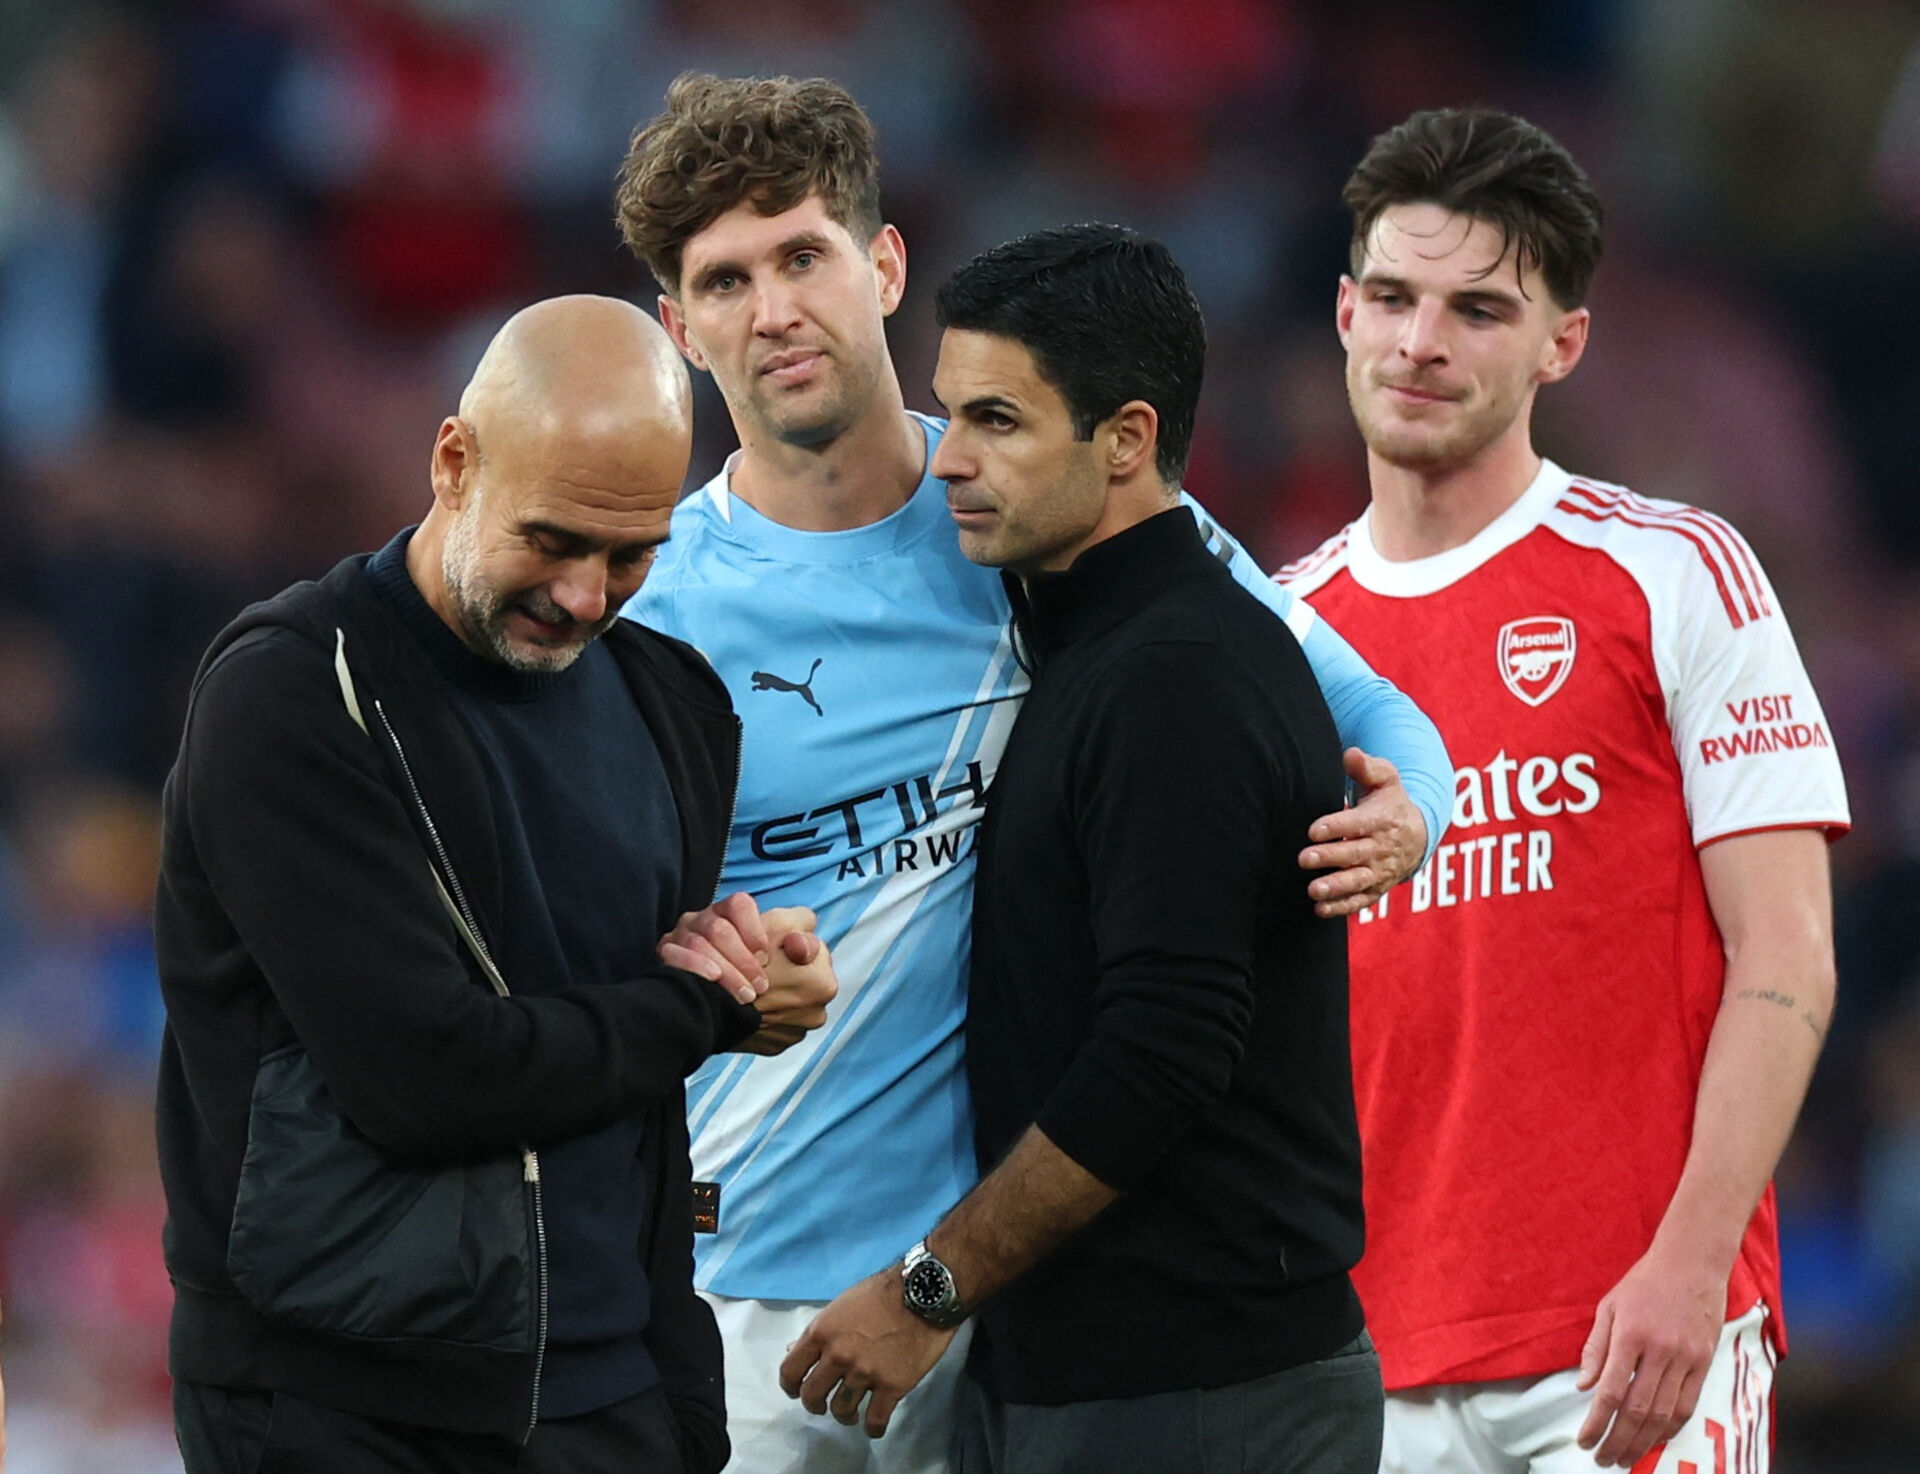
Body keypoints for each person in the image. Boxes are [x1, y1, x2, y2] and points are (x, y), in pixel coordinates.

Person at [613, 72, 1449, 1473]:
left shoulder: (1032, 500)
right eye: (723, 278)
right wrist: (711, 981)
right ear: (678, 327)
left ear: (883, 266)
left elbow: (1349, 682)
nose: (772, 308)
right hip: (759, 1289)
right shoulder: (656, 620)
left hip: (998, 1288)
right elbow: (591, 930)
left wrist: (1411, 800)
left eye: (803, 254)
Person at [154, 295, 839, 1474]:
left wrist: (733, 963)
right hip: (341, 1409)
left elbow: (633, 1090)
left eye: (632, 553)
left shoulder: (675, 704)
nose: (585, 594)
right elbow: (425, 1074)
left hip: (613, 1393)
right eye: (556, 540)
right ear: (453, 461)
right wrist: (710, 1012)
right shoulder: (292, 694)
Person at [1277, 108, 1851, 1473]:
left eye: (1480, 309)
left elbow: (1789, 953)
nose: (1423, 344)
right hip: (1364, 1354)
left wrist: (1694, 1263)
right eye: (1399, 300)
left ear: (1562, 343)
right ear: (1346, 312)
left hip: (1631, 1337)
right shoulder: (1273, 638)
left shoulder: (1672, 571)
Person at [781, 223, 1385, 1474]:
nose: (952, 458)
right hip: (1105, 1376)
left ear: (1126, 439)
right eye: (949, 414)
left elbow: (1162, 1050)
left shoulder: (1176, 680)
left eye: (1000, 420)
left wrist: (928, 1288)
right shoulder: (1091, 644)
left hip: (1202, 1390)